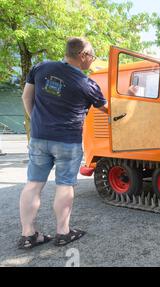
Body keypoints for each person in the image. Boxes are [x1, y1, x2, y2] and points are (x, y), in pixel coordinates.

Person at [18, 37, 108, 249]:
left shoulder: (41, 68)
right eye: (91, 56)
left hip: (40, 137)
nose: (92, 61)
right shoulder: (87, 84)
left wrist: (38, 122)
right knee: (65, 185)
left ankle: (28, 235)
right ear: (83, 55)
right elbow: (107, 109)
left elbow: (25, 97)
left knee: (33, 184)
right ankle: (63, 233)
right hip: (67, 141)